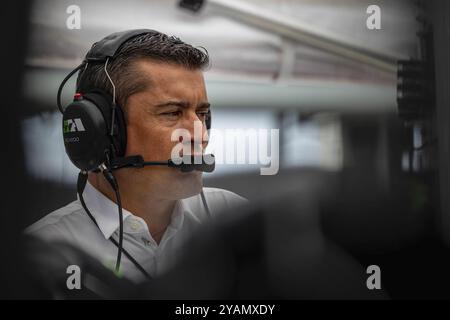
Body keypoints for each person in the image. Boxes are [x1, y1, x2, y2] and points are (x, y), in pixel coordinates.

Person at [26, 29, 247, 283]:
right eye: (172, 113)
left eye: (203, 115)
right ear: (103, 132)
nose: (201, 135)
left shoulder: (234, 218)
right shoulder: (40, 257)